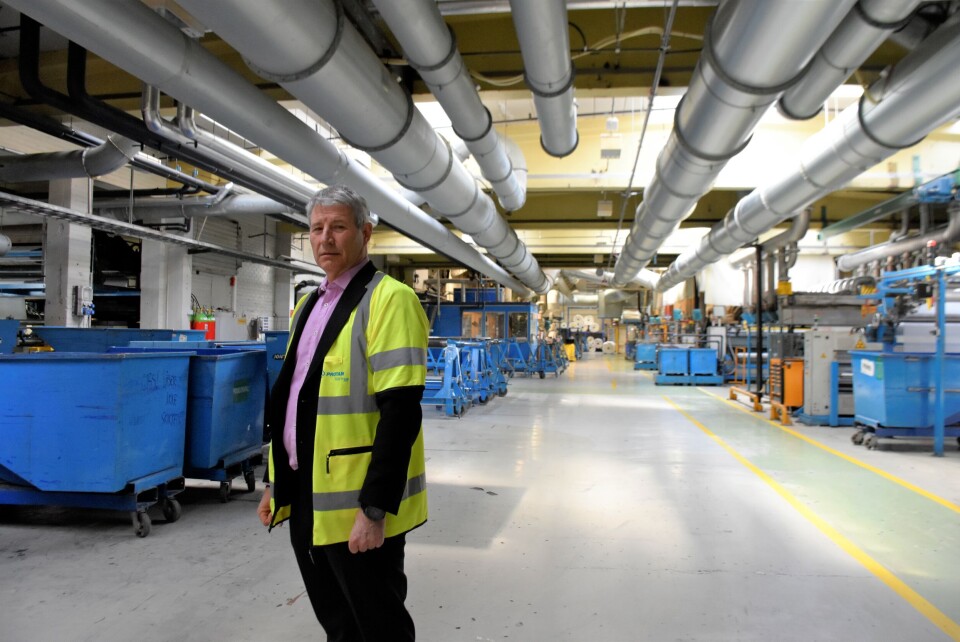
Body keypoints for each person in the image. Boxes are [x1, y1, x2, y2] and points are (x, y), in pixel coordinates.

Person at [257, 185, 429, 641]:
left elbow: (401, 413)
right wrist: (275, 482)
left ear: (365, 233)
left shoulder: (390, 300)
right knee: (338, 625)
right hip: (308, 495)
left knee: (380, 628)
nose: (325, 238)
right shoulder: (308, 305)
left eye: (338, 227)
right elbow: (295, 399)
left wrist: (374, 509)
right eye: (316, 229)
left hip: (357, 503)